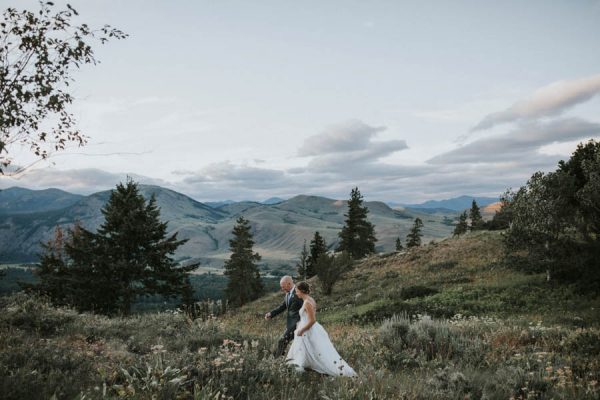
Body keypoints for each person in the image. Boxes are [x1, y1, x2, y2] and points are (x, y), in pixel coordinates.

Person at [285, 281, 356, 377]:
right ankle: (304, 367)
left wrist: (302, 330)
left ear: (301, 291)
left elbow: (312, 320)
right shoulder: (310, 299)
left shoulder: (307, 303)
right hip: (306, 328)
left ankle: (333, 369)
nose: (296, 293)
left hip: (308, 330)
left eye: (297, 291)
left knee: (318, 350)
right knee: (306, 349)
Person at [264, 275, 304, 357]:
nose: (282, 289)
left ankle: (276, 359)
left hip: (298, 324)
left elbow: (306, 307)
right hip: (292, 324)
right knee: (288, 342)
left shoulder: (298, 293)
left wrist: (303, 322)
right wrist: (271, 314)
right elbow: (282, 307)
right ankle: (280, 358)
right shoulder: (288, 294)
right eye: (281, 287)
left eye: (283, 287)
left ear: (289, 284)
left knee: (282, 340)